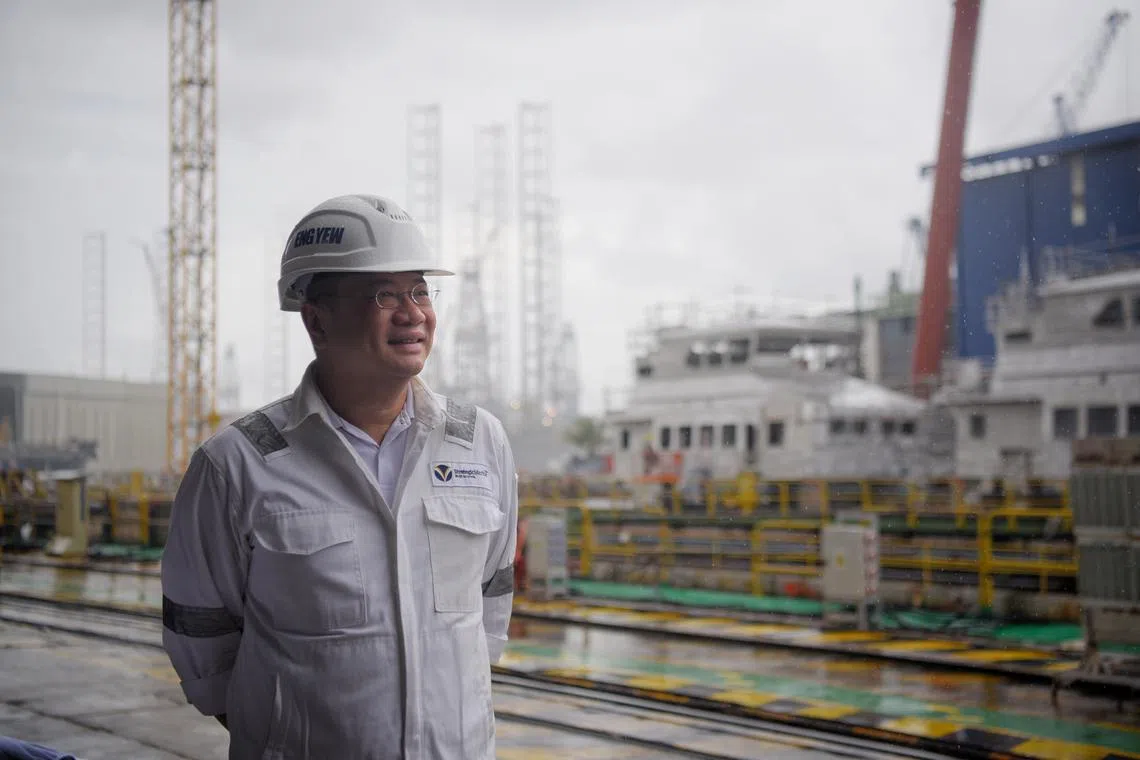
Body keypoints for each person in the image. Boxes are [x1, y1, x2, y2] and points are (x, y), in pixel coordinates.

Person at [160, 194, 519, 759]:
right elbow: (202, 636)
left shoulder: (479, 442)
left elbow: (492, 601)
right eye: (384, 294)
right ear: (317, 319)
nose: (412, 312)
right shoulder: (237, 465)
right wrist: (285, 731)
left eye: (420, 290)